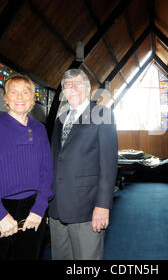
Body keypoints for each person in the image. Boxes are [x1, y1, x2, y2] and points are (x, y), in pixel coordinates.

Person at [0, 73, 54, 260]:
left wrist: (39, 208)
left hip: (32, 210)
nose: (20, 97)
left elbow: (47, 172)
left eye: (25, 92)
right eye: (14, 92)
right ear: (6, 97)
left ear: (32, 99)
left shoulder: (39, 129)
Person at [48, 68, 118, 260]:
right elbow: (56, 160)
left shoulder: (102, 114)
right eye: (68, 85)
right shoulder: (60, 119)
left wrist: (103, 206)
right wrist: (48, 204)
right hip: (57, 207)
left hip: (86, 207)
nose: (73, 88)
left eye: (78, 83)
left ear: (88, 88)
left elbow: (108, 165)